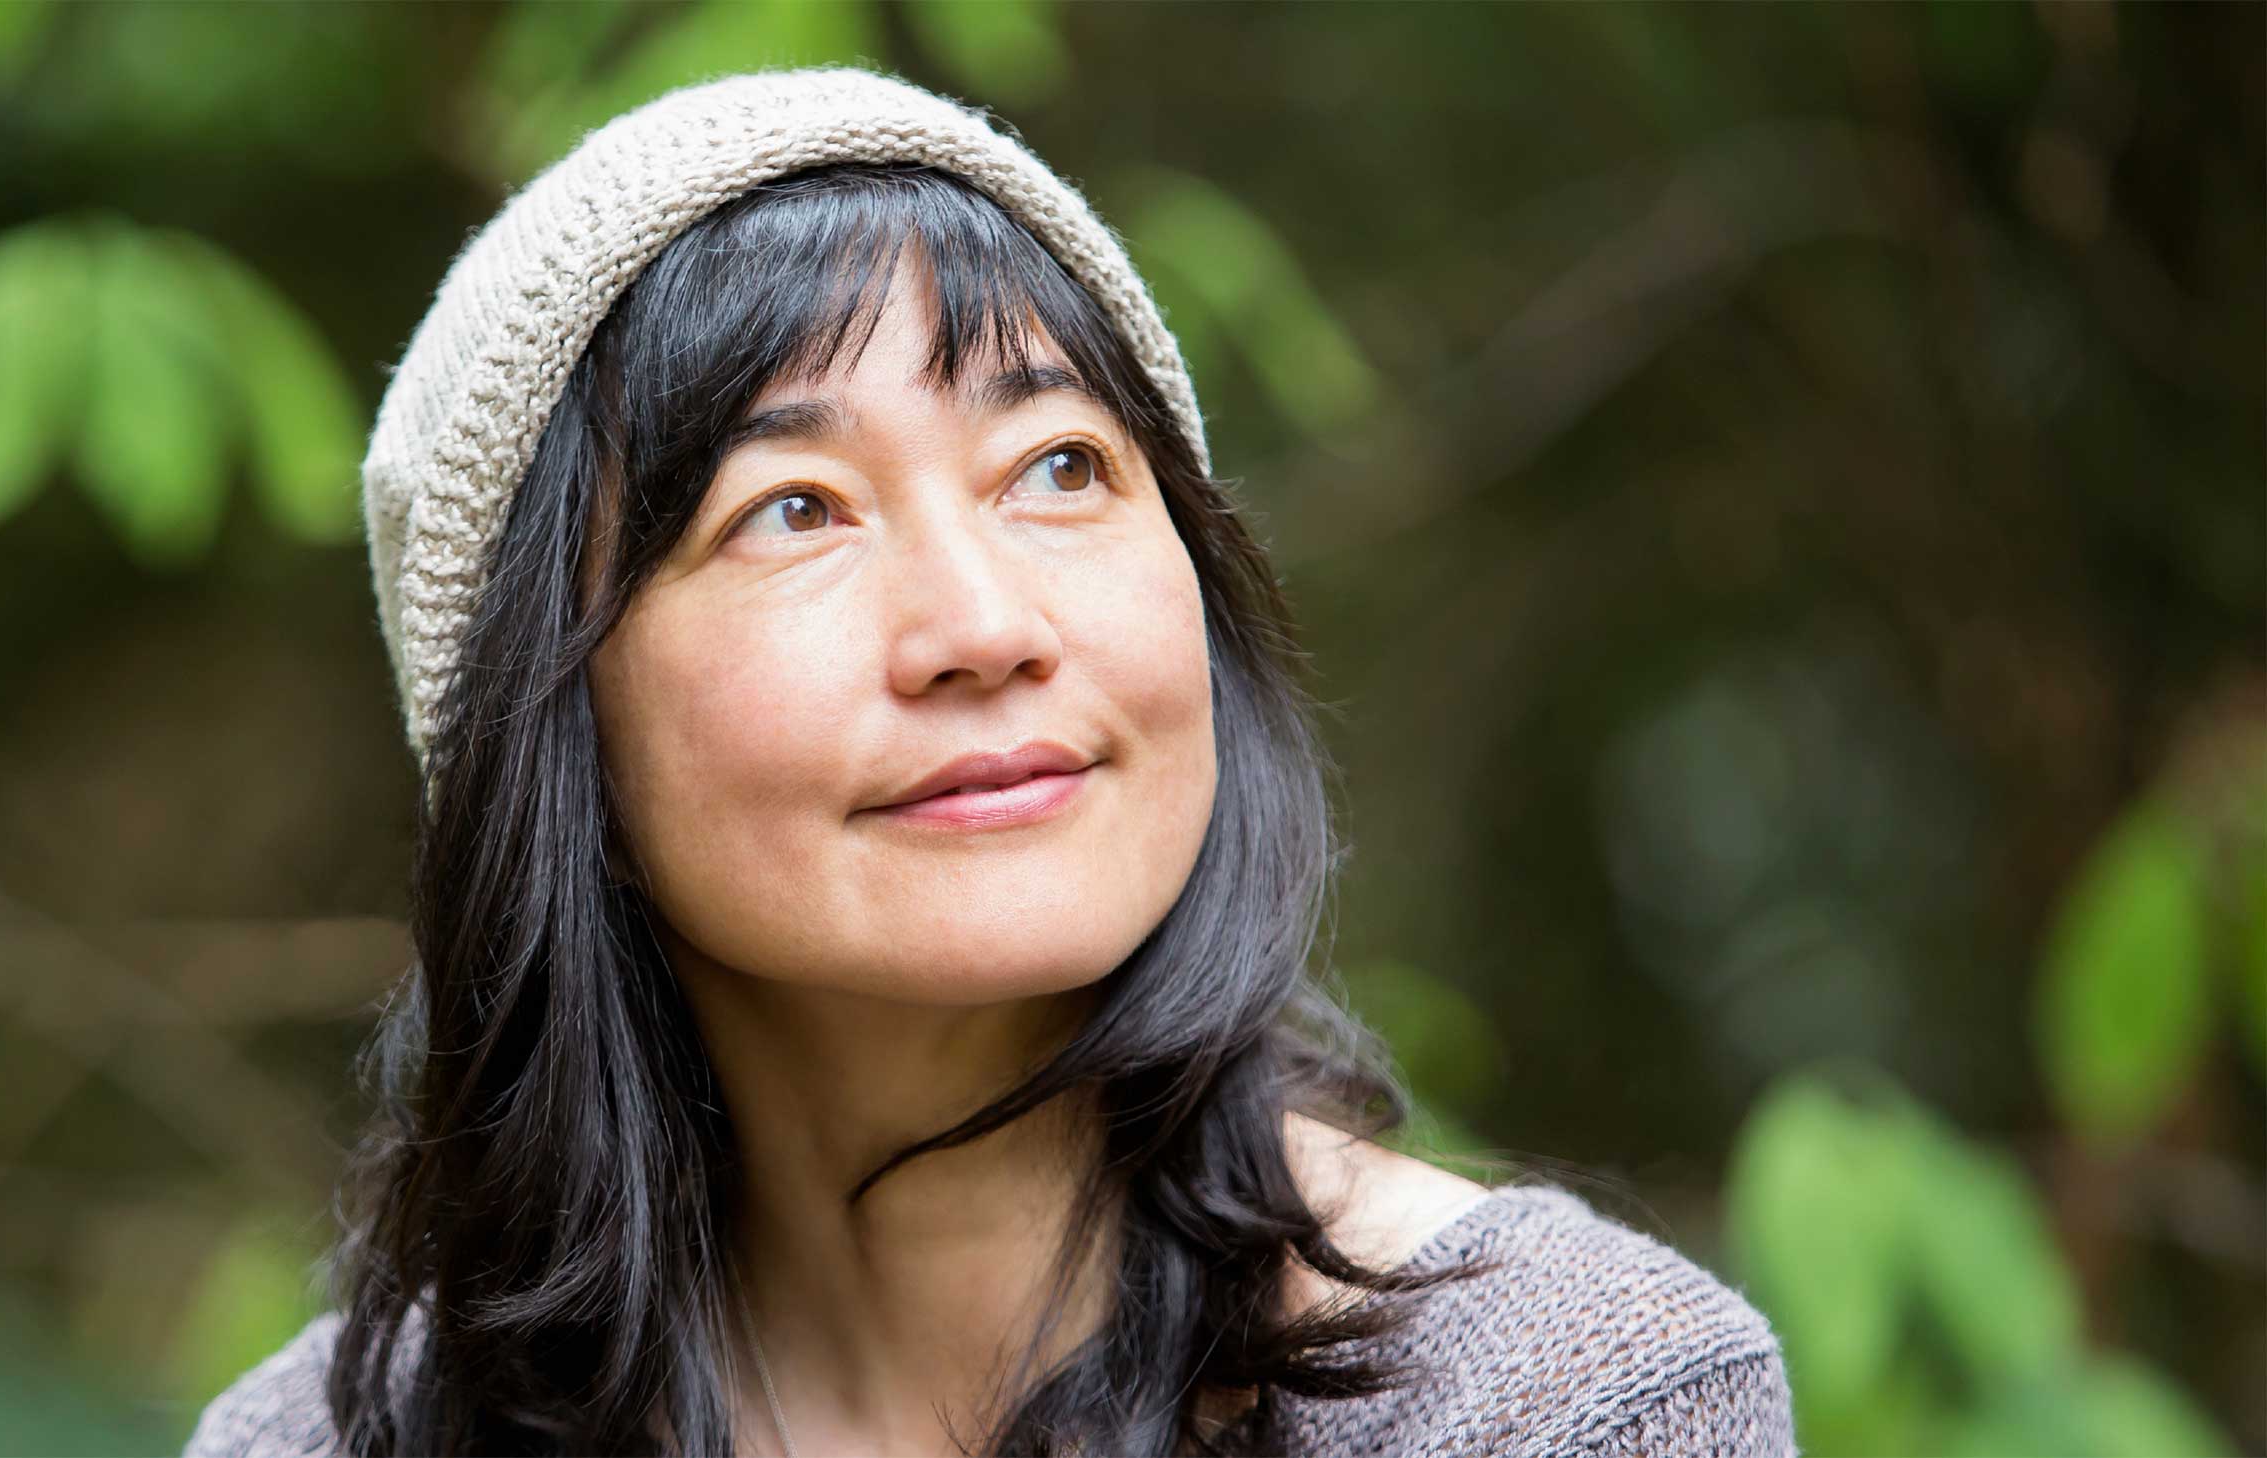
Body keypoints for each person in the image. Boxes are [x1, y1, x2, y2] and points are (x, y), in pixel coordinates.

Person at [186, 65, 1793, 1458]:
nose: (981, 620)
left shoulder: (1558, 1401)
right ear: (545, 730)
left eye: (1059, 464)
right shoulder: (327, 1438)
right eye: (792, 507)